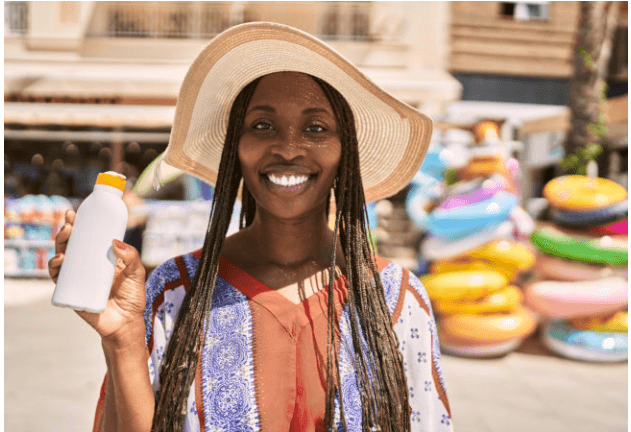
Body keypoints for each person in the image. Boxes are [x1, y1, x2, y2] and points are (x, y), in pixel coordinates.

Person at [48, 22, 452, 432]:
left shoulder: (397, 299)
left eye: (316, 128)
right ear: (234, 149)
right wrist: (122, 339)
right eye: (262, 125)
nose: (289, 147)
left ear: (344, 151)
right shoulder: (176, 290)